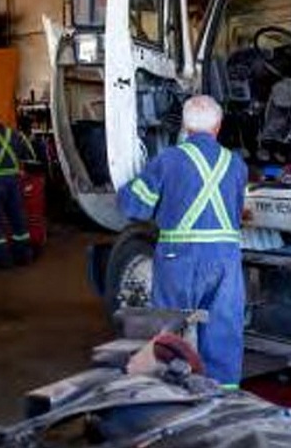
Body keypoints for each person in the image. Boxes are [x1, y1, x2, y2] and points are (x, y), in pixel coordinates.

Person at [117, 96, 247, 388]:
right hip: (225, 259)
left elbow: (134, 207)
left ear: (186, 127)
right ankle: (223, 399)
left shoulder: (168, 160)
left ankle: (170, 392)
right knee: (224, 329)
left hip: (179, 258)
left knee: (169, 326)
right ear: (218, 126)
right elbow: (237, 212)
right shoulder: (236, 164)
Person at [0, 110, 37, 267]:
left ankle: (2, 260)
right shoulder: (14, 134)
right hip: (14, 182)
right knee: (17, 219)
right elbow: (30, 156)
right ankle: (23, 256)